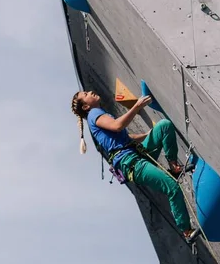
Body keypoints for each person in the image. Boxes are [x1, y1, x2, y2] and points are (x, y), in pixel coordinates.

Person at [71, 90, 195, 240]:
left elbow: (126, 136)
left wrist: (149, 134)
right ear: (85, 107)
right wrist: (136, 107)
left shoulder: (99, 115)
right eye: (86, 94)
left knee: (163, 126)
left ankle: (174, 166)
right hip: (132, 163)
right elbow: (118, 126)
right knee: (172, 188)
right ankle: (186, 230)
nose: (90, 92)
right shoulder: (94, 114)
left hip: (136, 154)